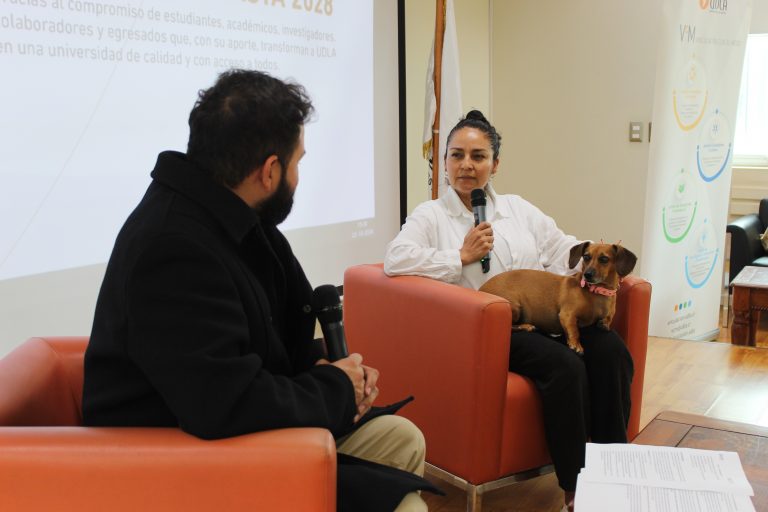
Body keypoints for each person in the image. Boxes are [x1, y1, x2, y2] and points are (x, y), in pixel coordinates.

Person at [83, 69, 439, 512]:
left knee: (401, 440)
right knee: (408, 508)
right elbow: (225, 403)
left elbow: (264, 339)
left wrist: (330, 368)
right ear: (269, 171)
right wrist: (336, 389)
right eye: (298, 162)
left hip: (227, 434)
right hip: (177, 465)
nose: (297, 175)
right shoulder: (172, 248)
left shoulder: (237, 220)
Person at [384, 110, 633, 512]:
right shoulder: (430, 215)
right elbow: (396, 259)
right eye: (456, 155)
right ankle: (576, 488)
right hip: (488, 333)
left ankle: (616, 473)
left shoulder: (518, 209)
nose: (467, 165)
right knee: (565, 365)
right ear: (442, 162)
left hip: (549, 316)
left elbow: (563, 250)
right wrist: (459, 256)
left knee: (612, 353)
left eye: (478, 156)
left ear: (494, 164)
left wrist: (602, 268)